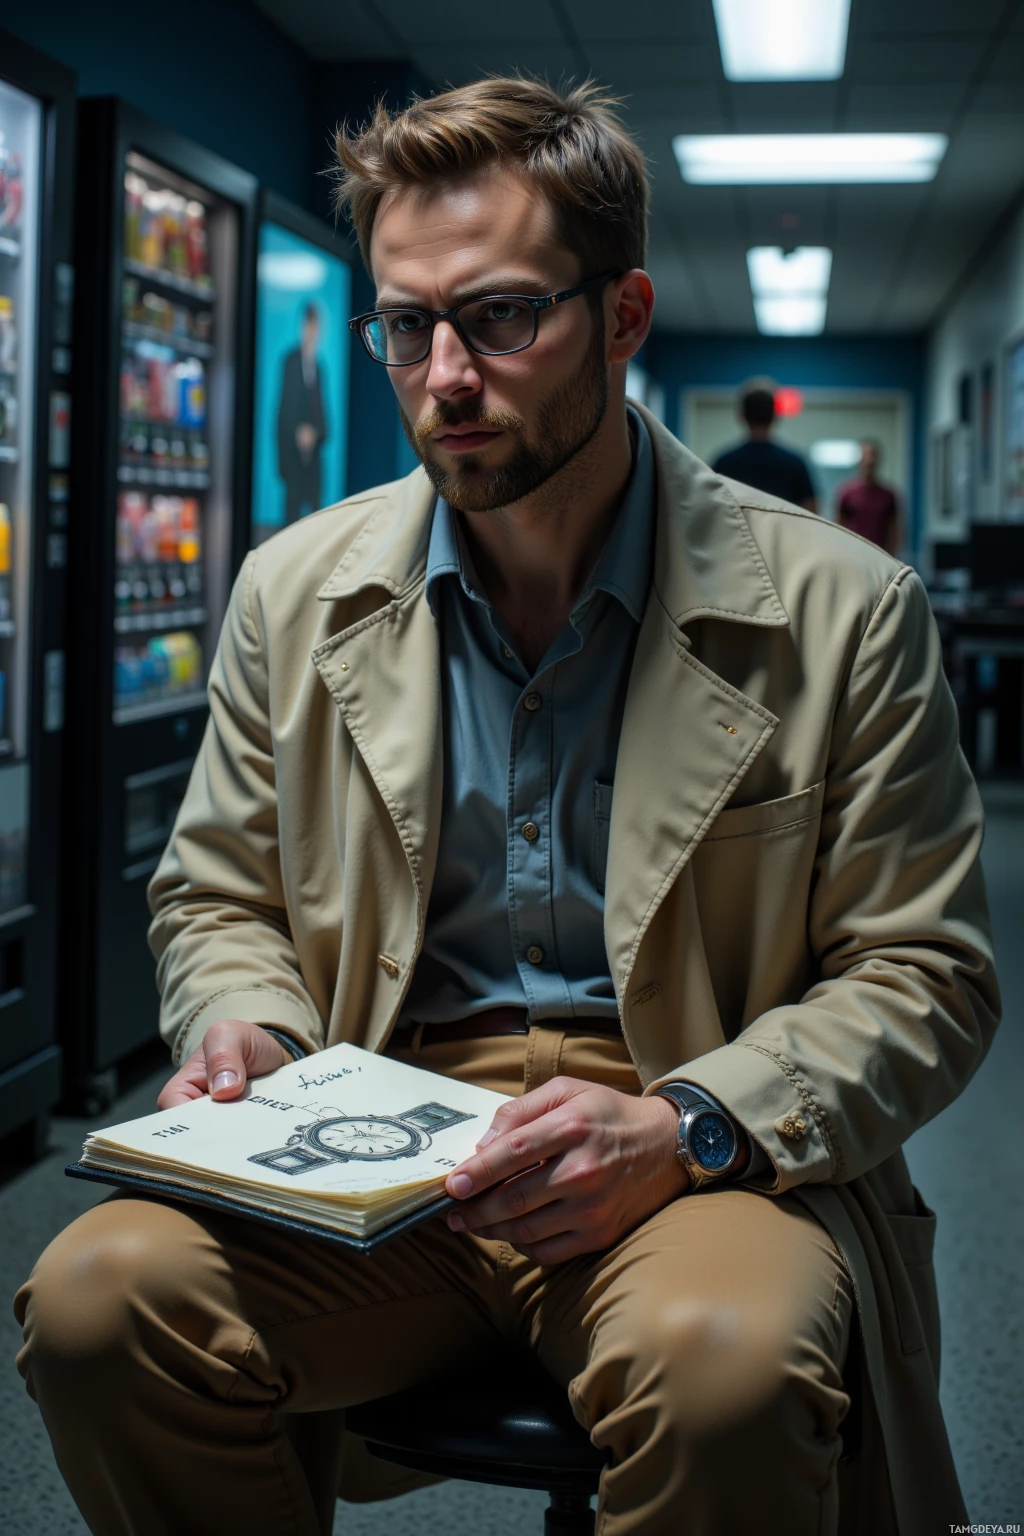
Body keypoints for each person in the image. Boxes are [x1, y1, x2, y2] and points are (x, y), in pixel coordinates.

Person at [14, 78, 998, 1536]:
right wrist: (252, 1027)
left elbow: (926, 973)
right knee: (97, 1303)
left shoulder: (841, 611)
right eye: (407, 327)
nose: (445, 376)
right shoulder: (296, 593)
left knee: (724, 1374)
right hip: (375, 1150)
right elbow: (218, 893)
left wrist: (686, 1124)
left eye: (500, 317)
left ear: (623, 316)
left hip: (682, 1144)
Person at [712, 380, 818, 511]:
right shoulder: (795, 463)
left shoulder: (723, 463)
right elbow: (812, 510)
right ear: (775, 416)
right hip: (783, 531)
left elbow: (712, 508)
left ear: (742, 416)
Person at [276, 301, 328, 524]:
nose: (311, 332)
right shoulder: (290, 361)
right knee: (292, 515)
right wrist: (297, 434)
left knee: (316, 516)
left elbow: (325, 416)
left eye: (315, 327)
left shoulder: (319, 367)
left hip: (314, 458)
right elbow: (283, 410)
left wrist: (315, 433)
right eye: (308, 326)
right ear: (302, 327)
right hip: (292, 456)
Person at [837, 439, 901, 554]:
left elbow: (894, 530)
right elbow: (839, 526)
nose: (869, 460)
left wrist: (892, 556)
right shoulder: (847, 493)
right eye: (865, 456)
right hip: (853, 553)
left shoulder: (888, 495)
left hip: (880, 554)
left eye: (872, 456)